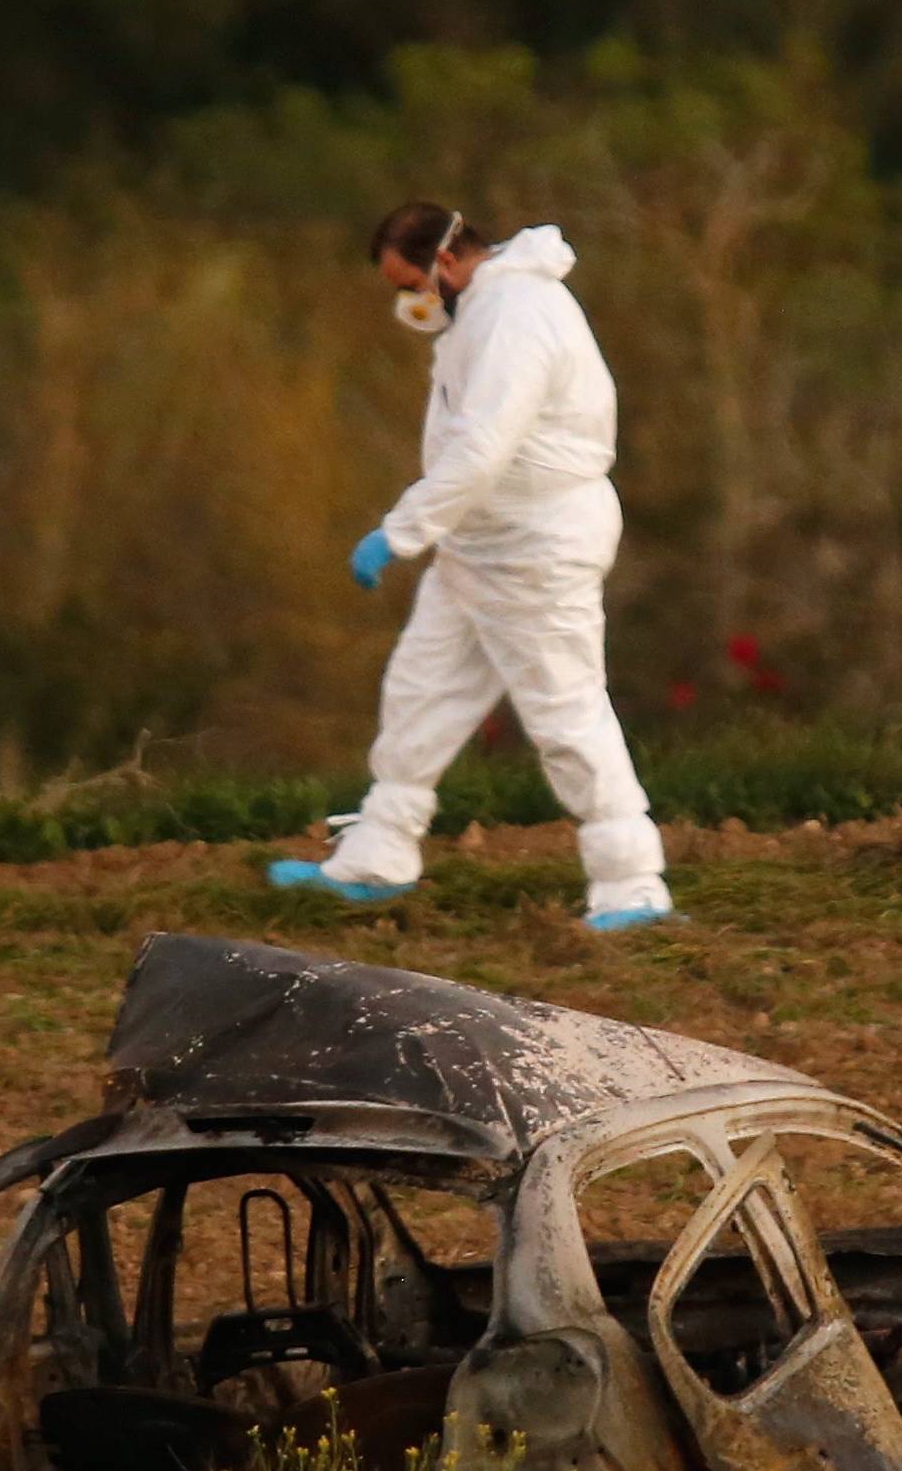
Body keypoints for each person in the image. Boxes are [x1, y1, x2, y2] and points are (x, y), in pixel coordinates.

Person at [268, 201, 674, 931]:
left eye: (410, 283)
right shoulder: (483, 312)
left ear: (447, 262)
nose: (410, 302)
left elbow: (483, 448)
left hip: (536, 547)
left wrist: (401, 530)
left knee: (564, 708)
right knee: (421, 689)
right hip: (480, 545)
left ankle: (632, 880)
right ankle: (379, 850)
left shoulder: (516, 317)